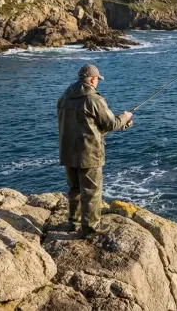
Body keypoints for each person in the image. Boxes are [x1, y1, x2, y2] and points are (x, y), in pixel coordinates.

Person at [57, 64, 133, 236]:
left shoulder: (64, 97)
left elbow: (83, 124)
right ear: (92, 79)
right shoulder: (93, 99)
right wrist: (125, 117)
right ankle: (90, 229)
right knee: (91, 192)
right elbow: (111, 124)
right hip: (88, 154)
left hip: (68, 151)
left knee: (74, 189)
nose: (97, 82)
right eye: (97, 79)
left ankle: (73, 223)